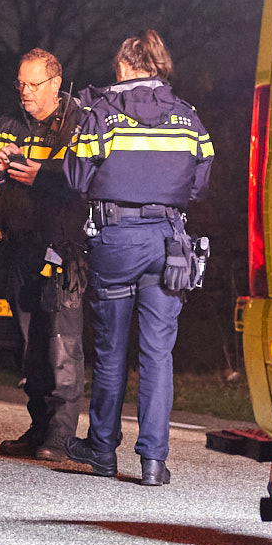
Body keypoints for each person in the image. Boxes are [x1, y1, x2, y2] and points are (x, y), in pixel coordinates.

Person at [62, 30, 212, 486]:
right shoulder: (189, 119)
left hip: (117, 239)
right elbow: (199, 185)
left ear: (126, 66)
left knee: (111, 352)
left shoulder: (102, 115)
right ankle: (153, 462)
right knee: (158, 355)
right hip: (169, 242)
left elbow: (74, 175)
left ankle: (103, 450)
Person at [0, 48, 88, 461]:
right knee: (30, 345)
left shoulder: (79, 124)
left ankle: (60, 436)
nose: (24, 92)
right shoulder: (9, 124)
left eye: (33, 84)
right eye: (20, 84)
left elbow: (88, 180)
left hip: (64, 249)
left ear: (56, 84)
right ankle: (39, 426)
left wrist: (42, 178)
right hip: (21, 246)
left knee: (63, 342)